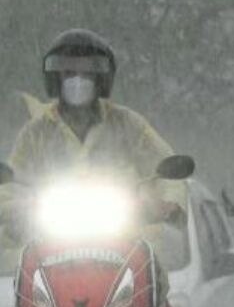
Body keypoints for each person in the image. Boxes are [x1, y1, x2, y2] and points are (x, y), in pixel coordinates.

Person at [0, 29, 186, 241]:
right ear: (55, 79)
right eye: (69, 73)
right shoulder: (35, 133)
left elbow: (164, 167)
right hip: (51, 246)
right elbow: (11, 184)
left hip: (123, 244)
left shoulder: (128, 124)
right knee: (21, 271)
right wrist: (15, 210)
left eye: (87, 73)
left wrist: (169, 204)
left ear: (101, 80)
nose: (78, 80)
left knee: (155, 271)